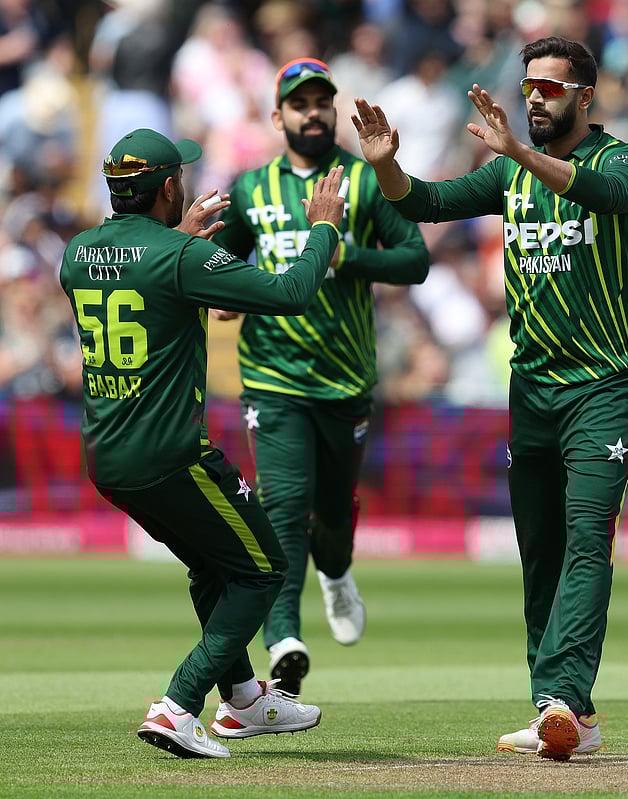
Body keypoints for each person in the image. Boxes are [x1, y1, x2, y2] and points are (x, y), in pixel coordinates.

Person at [352, 36, 628, 760]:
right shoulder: (509, 177)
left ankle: (564, 700)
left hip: (606, 381)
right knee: (539, 550)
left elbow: (596, 193)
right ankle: (559, 710)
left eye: (549, 89)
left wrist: (515, 153)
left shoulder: (625, 164)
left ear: (585, 96)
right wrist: (386, 165)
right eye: (528, 88)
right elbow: (423, 203)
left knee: (588, 538)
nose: (534, 99)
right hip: (533, 387)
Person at [59, 128, 345, 758]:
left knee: (214, 566)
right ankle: (178, 705)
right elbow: (292, 294)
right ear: (169, 187)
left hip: (107, 458)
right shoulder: (179, 257)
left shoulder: (76, 253)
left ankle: (244, 702)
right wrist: (323, 227)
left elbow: (140, 275)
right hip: (169, 454)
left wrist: (175, 240)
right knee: (264, 569)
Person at [209, 57, 430, 696]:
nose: (313, 113)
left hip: (345, 377)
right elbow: (227, 261)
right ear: (277, 117)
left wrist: (337, 248)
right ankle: (283, 639)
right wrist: (229, 293)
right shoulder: (251, 188)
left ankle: (336, 572)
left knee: (332, 513)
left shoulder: (364, 180)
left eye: (321, 102)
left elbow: (414, 258)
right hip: (273, 374)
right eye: (299, 104)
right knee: (281, 505)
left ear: (333, 110)